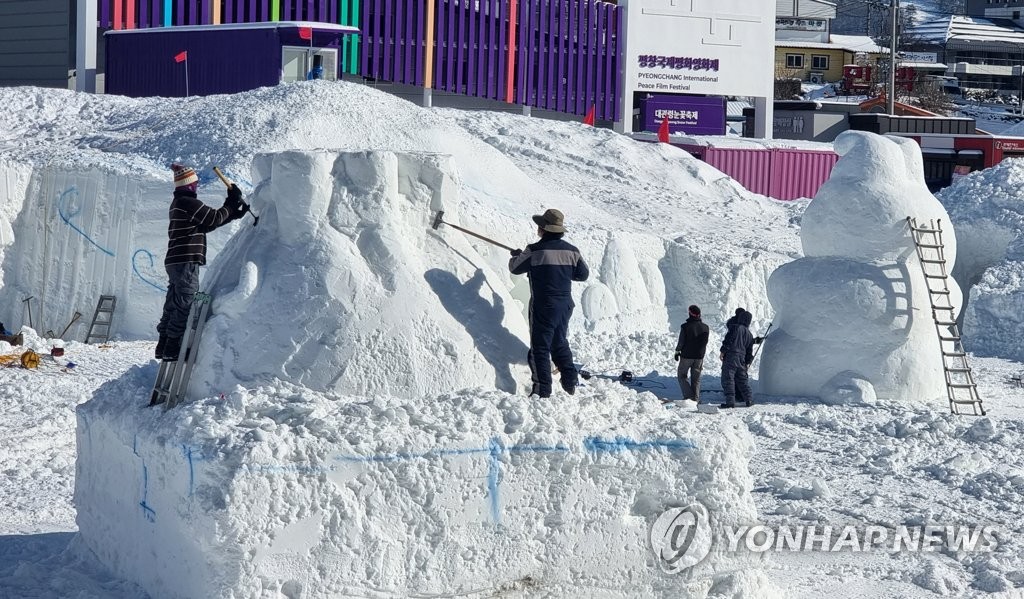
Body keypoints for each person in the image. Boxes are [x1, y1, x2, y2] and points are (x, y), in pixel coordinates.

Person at [155, 164, 246, 361]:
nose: (197, 186)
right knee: (185, 302)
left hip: (175, 261)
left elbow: (204, 226)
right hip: (186, 260)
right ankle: (173, 347)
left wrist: (232, 214)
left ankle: (164, 345)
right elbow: (212, 218)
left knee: (174, 302)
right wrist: (231, 202)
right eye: (195, 183)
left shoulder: (179, 203)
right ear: (189, 184)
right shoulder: (187, 202)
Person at [509, 208, 589, 398]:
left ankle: (542, 390)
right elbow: (583, 274)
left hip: (543, 305)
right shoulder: (572, 251)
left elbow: (515, 267)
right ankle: (570, 380)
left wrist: (517, 256)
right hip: (565, 305)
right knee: (559, 342)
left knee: (540, 347)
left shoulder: (535, 250)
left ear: (543, 229)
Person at [719, 308, 755, 408]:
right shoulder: (749, 334)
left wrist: (723, 351)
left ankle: (730, 402)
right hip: (742, 360)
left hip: (731, 356)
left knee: (728, 379)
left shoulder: (735, 327)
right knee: (742, 380)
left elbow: (728, 340)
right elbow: (749, 351)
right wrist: (747, 362)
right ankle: (749, 399)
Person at [674, 304, 709, 402]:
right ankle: (696, 398)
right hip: (699, 357)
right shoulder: (706, 327)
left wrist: (677, 351)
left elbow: (681, 341)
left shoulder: (685, 327)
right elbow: (705, 342)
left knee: (682, 376)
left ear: (690, 313)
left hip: (686, 356)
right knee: (696, 379)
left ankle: (689, 397)